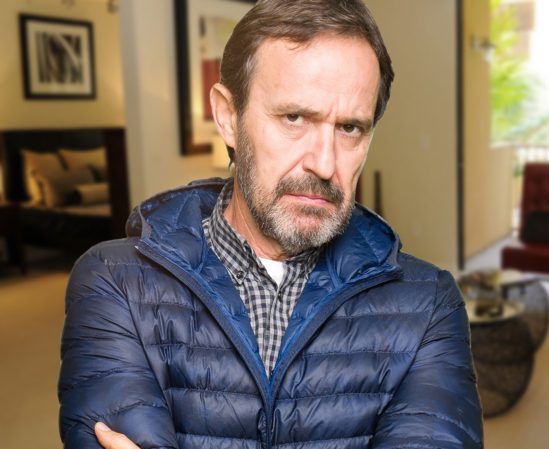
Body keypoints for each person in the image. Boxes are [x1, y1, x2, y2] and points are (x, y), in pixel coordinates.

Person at [57, 1, 483, 448]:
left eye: (351, 129)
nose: (323, 163)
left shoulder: (430, 304)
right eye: (294, 118)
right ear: (227, 116)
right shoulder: (114, 282)